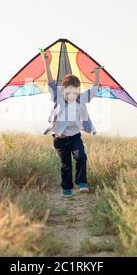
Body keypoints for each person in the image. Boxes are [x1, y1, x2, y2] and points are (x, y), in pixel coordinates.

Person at [42, 52, 100, 197]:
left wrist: (97, 74)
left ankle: (82, 183)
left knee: (80, 157)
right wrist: (47, 64)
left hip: (74, 137)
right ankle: (66, 187)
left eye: (75, 92)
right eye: (69, 92)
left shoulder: (81, 99)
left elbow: (94, 90)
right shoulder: (58, 97)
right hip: (60, 139)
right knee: (66, 165)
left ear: (78, 91)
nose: (72, 95)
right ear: (63, 90)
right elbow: (50, 82)